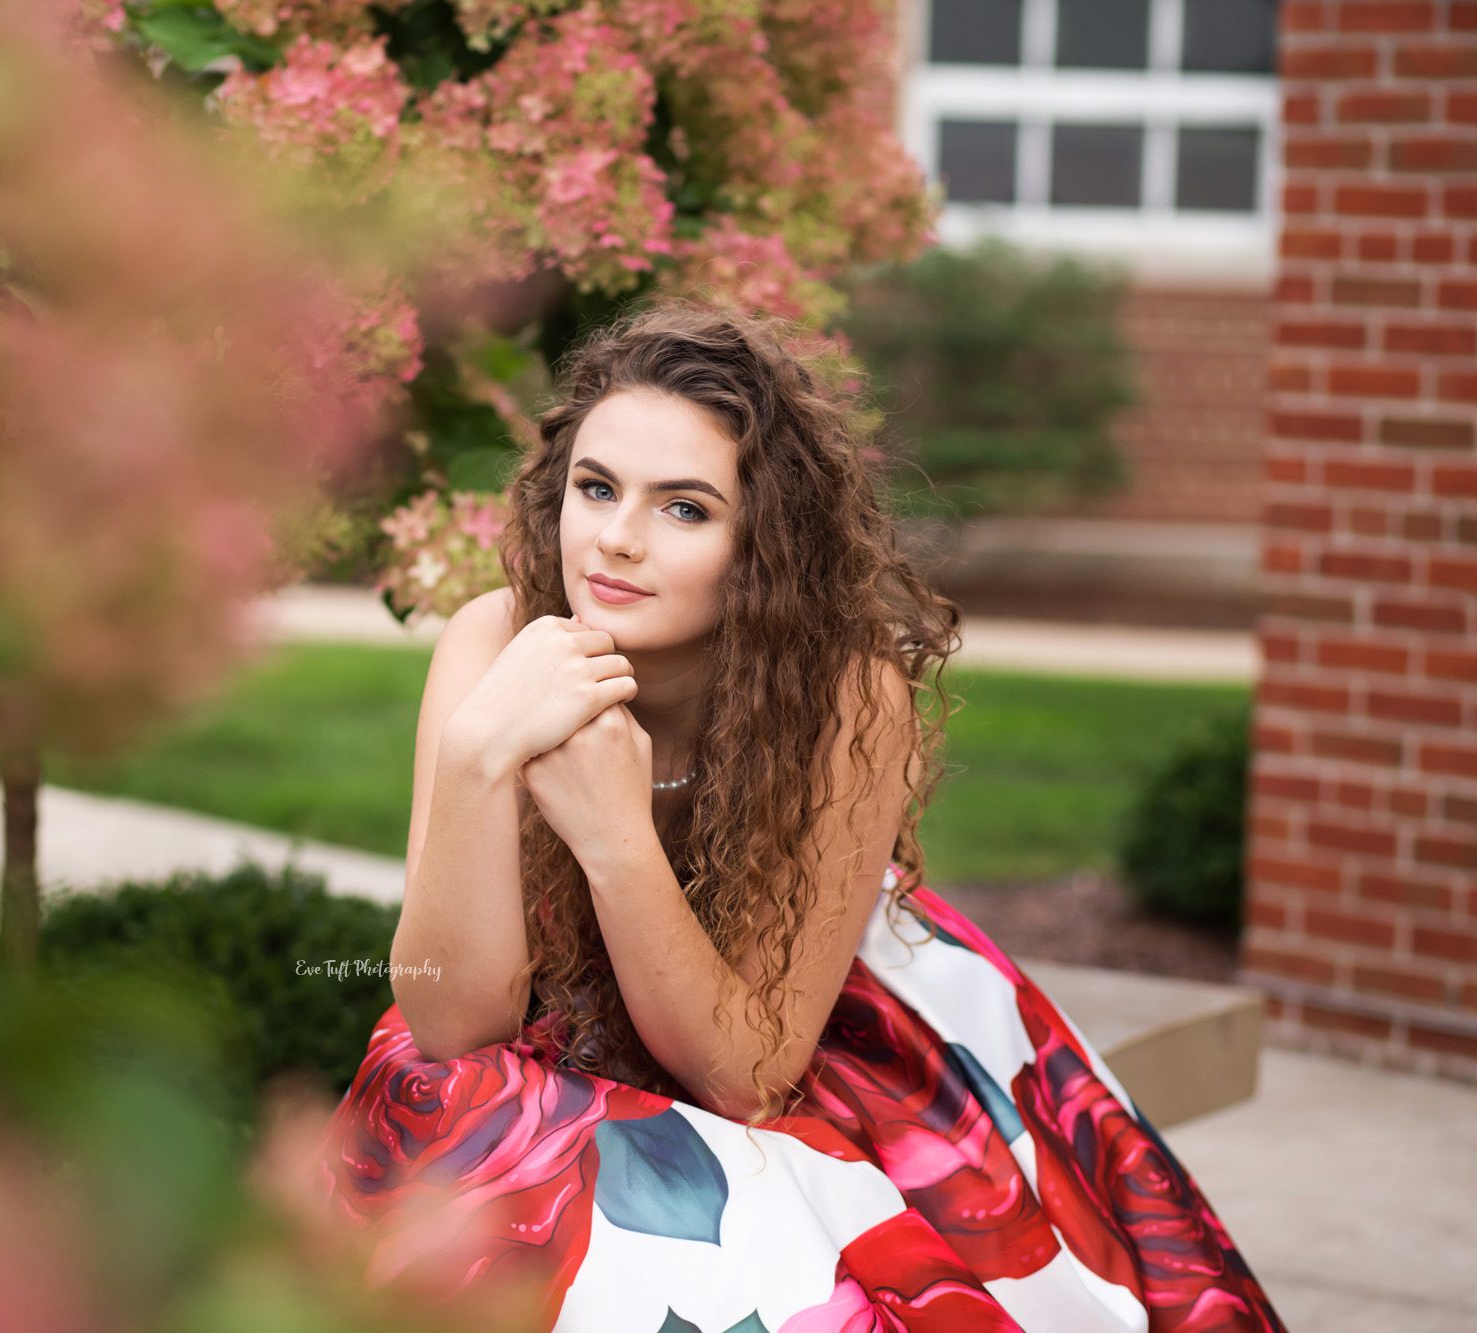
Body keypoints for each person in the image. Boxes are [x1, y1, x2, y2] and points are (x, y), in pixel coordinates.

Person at [311, 300, 1284, 1331]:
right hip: (563, 1029)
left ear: (761, 543)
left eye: (683, 508)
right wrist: (473, 759)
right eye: (595, 489)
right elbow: (450, 1022)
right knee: (469, 1116)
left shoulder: (842, 696)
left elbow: (747, 1074)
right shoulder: (492, 641)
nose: (616, 539)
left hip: (787, 1021)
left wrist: (611, 836)